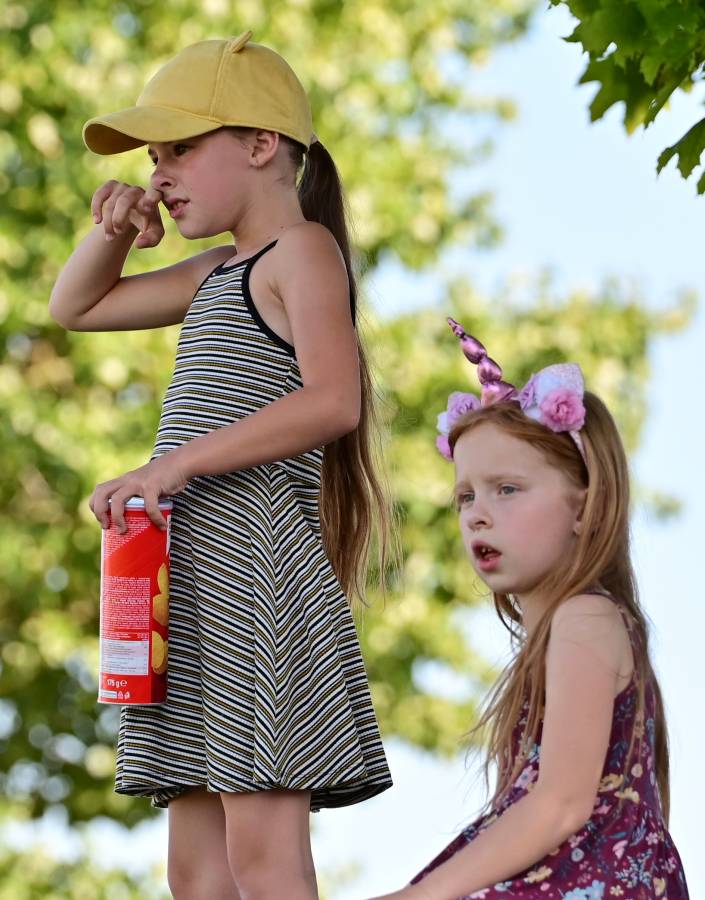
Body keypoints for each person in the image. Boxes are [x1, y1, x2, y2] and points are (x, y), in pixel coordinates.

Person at [49, 31, 393, 900]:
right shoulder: (212, 272)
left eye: (179, 150)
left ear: (261, 143)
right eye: (152, 159)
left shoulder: (300, 252)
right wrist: (113, 232)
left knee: (263, 859)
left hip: (256, 573)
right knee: (197, 874)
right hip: (192, 584)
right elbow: (76, 307)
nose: (159, 174)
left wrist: (172, 467)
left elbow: (332, 400)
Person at [369, 318, 689, 900]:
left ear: (584, 509)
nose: (476, 513)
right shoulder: (570, 631)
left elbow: (560, 805)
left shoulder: (585, 619)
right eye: (466, 495)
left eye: (507, 489)